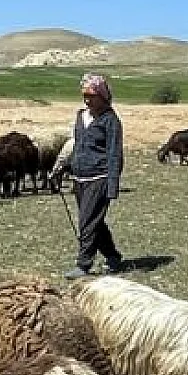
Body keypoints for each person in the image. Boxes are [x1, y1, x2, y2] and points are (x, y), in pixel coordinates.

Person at [65, 73, 125, 278]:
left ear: (102, 96)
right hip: (79, 177)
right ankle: (113, 256)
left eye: (91, 96)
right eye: (84, 95)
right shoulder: (80, 116)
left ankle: (83, 264)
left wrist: (112, 184)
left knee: (87, 222)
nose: (87, 100)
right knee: (94, 221)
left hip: (98, 177)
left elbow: (114, 153)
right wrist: (63, 166)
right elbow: (76, 145)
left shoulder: (111, 120)